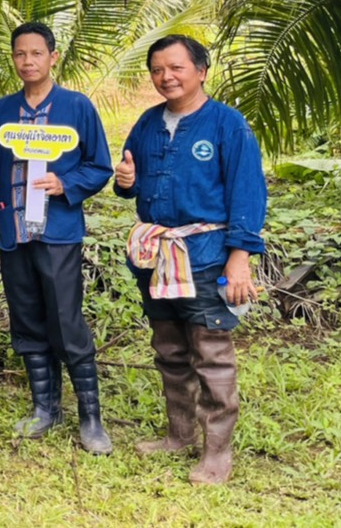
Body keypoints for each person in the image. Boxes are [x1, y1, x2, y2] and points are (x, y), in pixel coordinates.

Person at [0, 21, 114, 453]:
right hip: (14, 231)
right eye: (20, 54)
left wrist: (65, 184)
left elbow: (99, 167)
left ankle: (90, 419)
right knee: (26, 320)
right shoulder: (3, 111)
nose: (27, 61)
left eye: (36, 53)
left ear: (53, 57)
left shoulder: (77, 108)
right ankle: (45, 408)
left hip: (58, 233)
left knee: (66, 320)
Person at [116, 35, 267, 485]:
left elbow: (248, 193)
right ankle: (178, 433)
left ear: (201, 71)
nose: (167, 77)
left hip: (206, 255)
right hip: (158, 256)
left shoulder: (226, 124)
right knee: (169, 348)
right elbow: (130, 182)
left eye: (177, 67)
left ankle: (217, 453)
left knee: (211, 352)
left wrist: (238, 258)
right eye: (158, 69)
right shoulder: (146, 123)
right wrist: (125, 180)